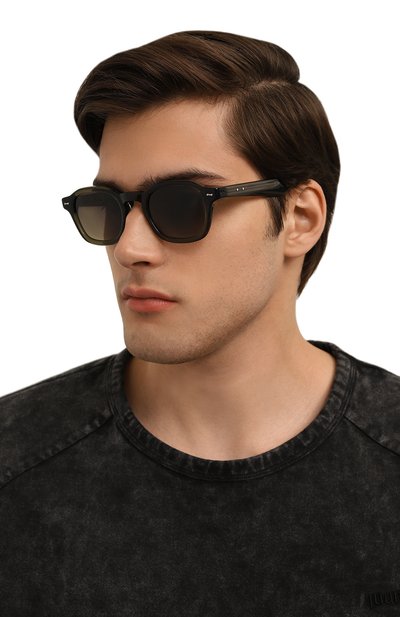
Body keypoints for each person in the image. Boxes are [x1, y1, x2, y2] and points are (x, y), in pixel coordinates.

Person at [0, 30, 399, 617]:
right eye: (110, 208)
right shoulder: (15, 467)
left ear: (300, 217)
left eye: (183, 204)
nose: (130, 248)